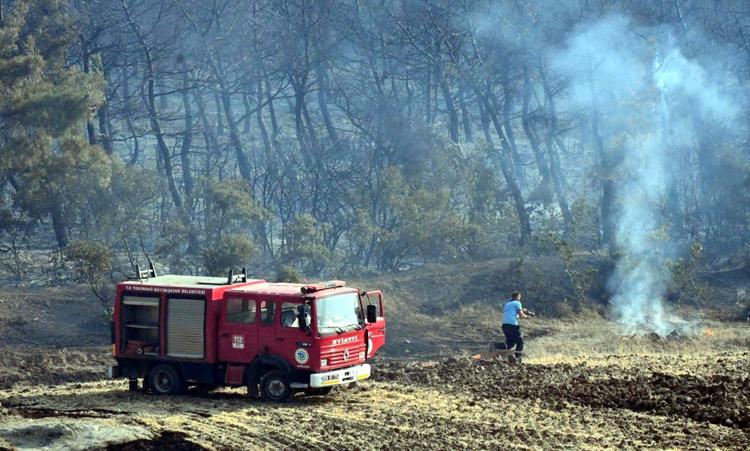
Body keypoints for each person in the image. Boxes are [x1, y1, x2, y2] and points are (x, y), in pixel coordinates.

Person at [502, 292, 533, 362]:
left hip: (505, 325)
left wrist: (525, 311)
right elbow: (521, 315)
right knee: (520, 341)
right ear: (518, 297)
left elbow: (514, 314)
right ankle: (517, 358)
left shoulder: (507, 304)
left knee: (510, 343)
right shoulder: (517, 303)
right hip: (512, 325)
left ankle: (497, 346)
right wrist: (527, 317)